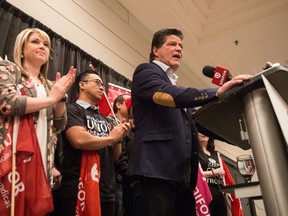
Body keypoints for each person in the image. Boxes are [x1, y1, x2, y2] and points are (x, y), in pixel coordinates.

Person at [126, 28, 252, 216]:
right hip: (154, 173)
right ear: (155, 50)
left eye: (181, 46)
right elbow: (167, 95)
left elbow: (201, 123)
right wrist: (215, 92)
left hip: (183, 180)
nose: (179, 49)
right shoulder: (147, 71)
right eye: (172, 44)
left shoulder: (174, 87)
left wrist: (243, 137)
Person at [0, 28, 76, 215]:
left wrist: (60, 98)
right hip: (11, 158)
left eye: (46, 44)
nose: (42, 46)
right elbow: (7, 103)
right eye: (35, 42)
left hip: (40, 165)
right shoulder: (9, 68)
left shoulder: (49, 85)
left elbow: (58, 126)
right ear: (22, 48)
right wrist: (51, 99)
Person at [58, 70, 133, 216]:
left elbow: (115, 156)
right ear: (82, 85)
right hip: (77, 188)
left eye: (103, 85)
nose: (102, 88)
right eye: (97, 83)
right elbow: (79, 140)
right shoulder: (72, 109)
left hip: (105, 190)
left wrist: (119, 137)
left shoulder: (106, 119)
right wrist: (111, 138)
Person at [110, 94, 132, 216]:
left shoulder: (133, 128)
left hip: (128, 184)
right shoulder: (109, 123)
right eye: (127, 102)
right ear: (118, 105)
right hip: (115, 182)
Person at [198, 132, 228, 216]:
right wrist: (213, 172)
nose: (203, 133)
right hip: (203, 196)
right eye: (200, 131)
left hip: (219, 195)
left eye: (205, 131)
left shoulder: (216, 154)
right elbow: (194, 174)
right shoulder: (194, 153)